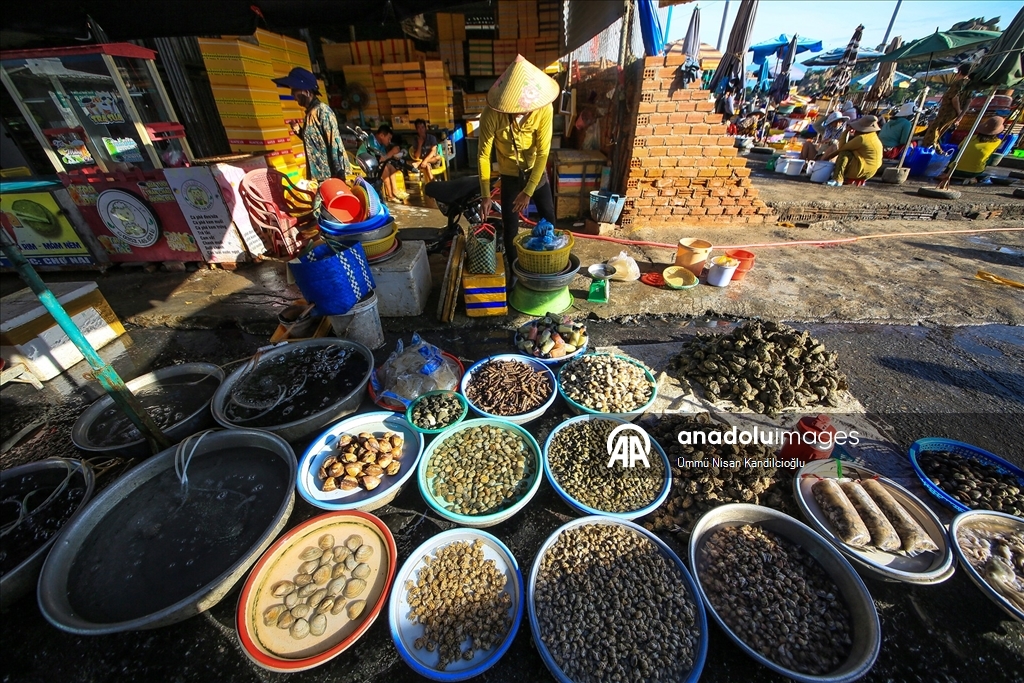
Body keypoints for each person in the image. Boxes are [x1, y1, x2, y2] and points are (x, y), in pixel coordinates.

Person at [477, 55, 559, 290]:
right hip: (510, 175)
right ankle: (515, 271)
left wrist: (528, 192)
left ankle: (549, 262)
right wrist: (486, 195)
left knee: (549, 217)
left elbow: (543, 153)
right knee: (510, 227)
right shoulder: (492, 114)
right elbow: (484, 155)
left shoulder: (544, 109)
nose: (521, 113)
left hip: (536, 170)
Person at [271, 67, 349, 184]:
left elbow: (334, 144)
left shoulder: (323, 112)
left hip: (331, 177)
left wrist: (339, 178)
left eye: (294, 90)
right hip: (321, 177)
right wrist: (297, 129)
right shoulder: (310, 114)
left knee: (321, 202)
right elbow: (314, 142)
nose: (292, 94)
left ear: (306, 92)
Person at [821, 115, 883, 186]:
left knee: (844, 153)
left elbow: (842, 148)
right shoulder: (873, 136)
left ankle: (837, 179)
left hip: (861, 170)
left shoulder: (861, 138)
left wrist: (845, 132)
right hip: (871, 171)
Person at [921, 63, 972, 148]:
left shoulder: (958, 83)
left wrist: (959, 111)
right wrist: (961, 115)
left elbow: (954, 98)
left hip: (946, 114)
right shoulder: (969, 85)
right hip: (954, 117)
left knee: (933, 135)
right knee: (940, 135)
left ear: (959, 72)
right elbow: (969, 101)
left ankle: (927, 152)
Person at [943, 116, 1005, 184]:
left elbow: (959, 147)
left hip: (952, 169)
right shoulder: (997, 142)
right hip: (973, 173)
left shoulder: (969, 137)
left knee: (959, 152)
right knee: (989, 157)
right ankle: (974, 177)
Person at [358, 124, 407, 200]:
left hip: (375, 163)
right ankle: (390, 195)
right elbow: (381, 159)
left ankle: (395, 191)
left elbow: (384, 158)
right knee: (385, 169)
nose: (389, 141)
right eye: (389, 138)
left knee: (391, 167)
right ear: (381, 135)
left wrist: (394, 155)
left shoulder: (381, 145)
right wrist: (392, 152)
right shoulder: (371, 141)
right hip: (364, 163)